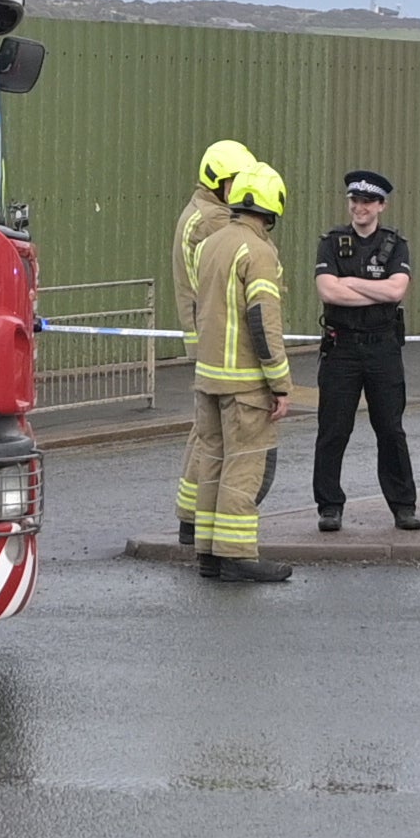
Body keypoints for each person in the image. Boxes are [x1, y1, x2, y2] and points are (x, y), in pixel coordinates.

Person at [187, 161, 295, 583]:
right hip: (245, 381)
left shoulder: (210, 243)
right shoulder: (259, 252)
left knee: (212, 460)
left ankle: (208, 554)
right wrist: (280, 384)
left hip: (208, 376)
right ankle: (237, 554)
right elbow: (263, 322)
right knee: (245, 466)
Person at [312, 169, 419, 533]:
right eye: (355, 201)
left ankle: (403, 506)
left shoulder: (395, 244)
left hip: (382, 347)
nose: (360, 207)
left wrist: (351, 283)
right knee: (333, 429)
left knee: (390, 429)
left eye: (367, 202)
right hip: (341, 347)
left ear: (381, 206)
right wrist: (374, 285)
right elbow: (328, 292)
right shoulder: (331, 242)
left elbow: (396, 292)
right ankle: (329, 506)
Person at [172, 139, 256, 546]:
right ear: (217, 181)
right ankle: (198, 520)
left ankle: (191, 515)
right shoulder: (213, 220)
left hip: (204, 335)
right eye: (235, 182)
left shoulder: (202, 211)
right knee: (213, 435)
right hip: (217, 339)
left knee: (202, 432)